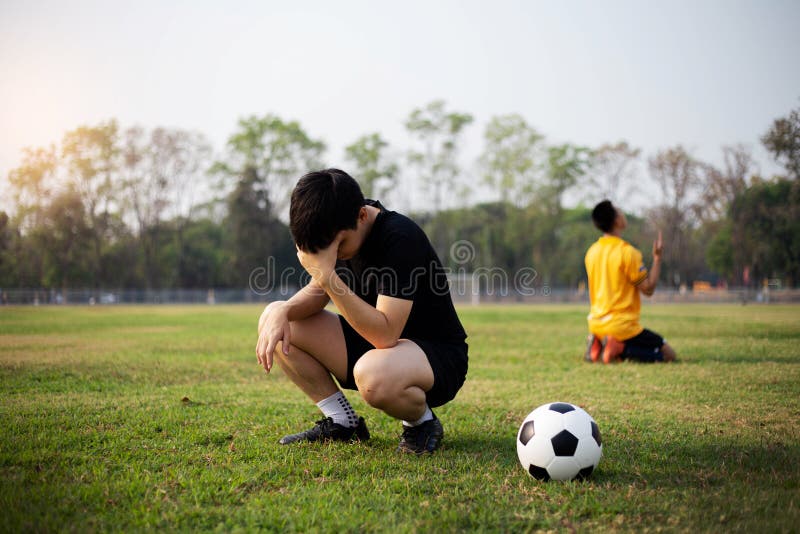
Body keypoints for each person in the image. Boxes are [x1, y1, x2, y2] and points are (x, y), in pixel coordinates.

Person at [255, 169, 468, 454]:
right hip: (377, 349)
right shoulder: (339, 220)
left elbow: (385, 335)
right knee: (277, 318)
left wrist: (328, 275)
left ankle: (421, 423)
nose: (336, 254)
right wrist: (283, 309)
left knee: (374, 374)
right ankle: (343, 422)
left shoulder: (399, 237)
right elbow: (318, 293)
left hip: (435, 356)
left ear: (362, 216)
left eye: (339, 246)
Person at [584, 200, 677, 364]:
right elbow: (648, 289)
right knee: (669, 355)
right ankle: (618, 349)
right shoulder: (628, 253)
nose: (622, 214)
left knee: (644, 346)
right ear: (616, 221)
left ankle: (598, 346)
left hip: (595, 324)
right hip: (621, 326)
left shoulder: (591, 252)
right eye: (619, 211)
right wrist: (657, 259)